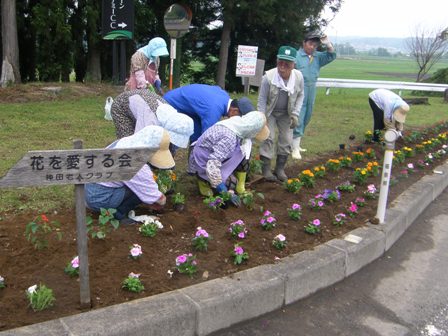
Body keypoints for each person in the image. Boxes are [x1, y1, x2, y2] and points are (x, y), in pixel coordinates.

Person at [85, 126, 174, 224]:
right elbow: (153, 195)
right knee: (139, 189)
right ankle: (119, 214)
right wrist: (161, 201)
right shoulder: (135, 162)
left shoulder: (124, 143)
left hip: (89, 189)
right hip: (100, 198)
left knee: (137, 186)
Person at [188, 111, 270, 206]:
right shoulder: (229, 138)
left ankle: (238, 185)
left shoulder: (238, 123)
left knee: (244, 150)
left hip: (216, 154)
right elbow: (212, 166)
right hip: (204, 159)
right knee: (231, 185)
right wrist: (223, 190)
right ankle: (203, 181)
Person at [258, 46, 304, 182]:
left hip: (287, 113)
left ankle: (279, 169)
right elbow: (262, 99)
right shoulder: (268, 77)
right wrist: (262, 117)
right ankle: (266, 169)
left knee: (286, 140)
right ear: (277, 61)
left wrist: (295, 114)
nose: (283, 66)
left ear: (293, 64)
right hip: (270, 112)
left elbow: (301, 95)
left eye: (287, 63)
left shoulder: (298, 77)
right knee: (268, 137)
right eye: (280, 62)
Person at [292, 32, 336, 159]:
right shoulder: (297, 55)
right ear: (304, 43)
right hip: (299, 88)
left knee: (307, 115)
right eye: (310, 44)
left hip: (312, 88)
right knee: (298, 116)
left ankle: (296, 143)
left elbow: (331, 55)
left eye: (315, 45)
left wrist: (327, 44)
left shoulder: (316, 56)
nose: (312, 47)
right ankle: (294, 147)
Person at [163, 84, 255, 144]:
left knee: (197, 133)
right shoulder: (213, 111)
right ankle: (165, 166)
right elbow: (207, 138)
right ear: (234, 111)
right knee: (174, 136)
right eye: (239, 117)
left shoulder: (224, 95)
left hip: (186, 105)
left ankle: (193, 168)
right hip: (170, 103)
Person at [110, 89, 194, 153]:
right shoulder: (150, 120)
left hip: (142, 102)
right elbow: (140, 143)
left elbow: (168, 144)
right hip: (121, 106)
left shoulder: (171, 116)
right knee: (128, 148)